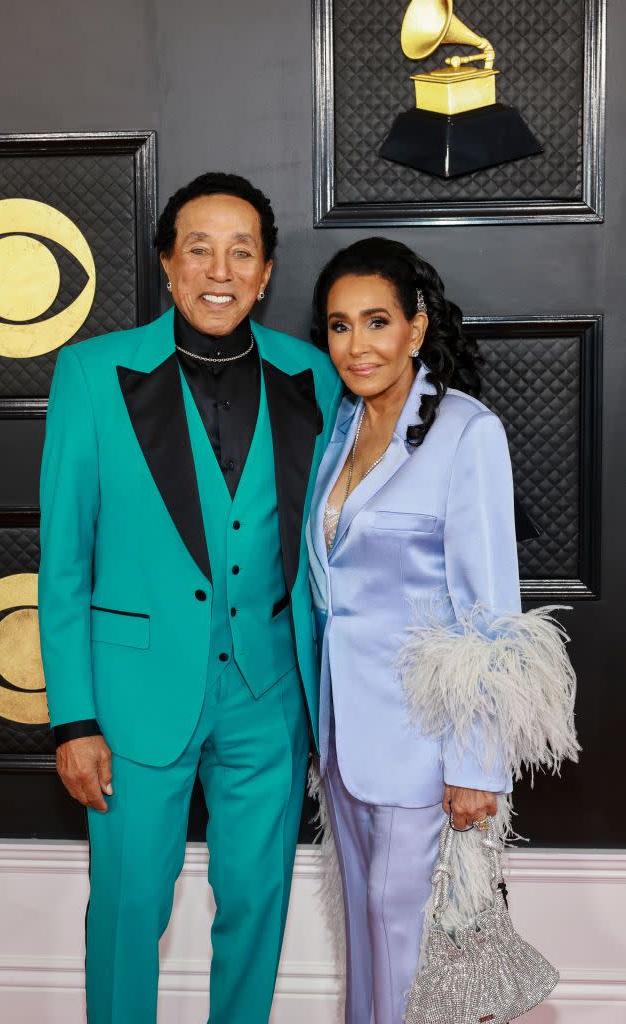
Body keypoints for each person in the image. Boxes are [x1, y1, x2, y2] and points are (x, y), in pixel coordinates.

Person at [37, 172, 342, 1024]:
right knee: (130, 911)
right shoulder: (94, 374)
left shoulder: (312, 375)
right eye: (199, 249)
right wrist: (74, 719)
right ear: (167, 266)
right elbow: (62, 561)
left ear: (267, 270)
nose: (220, 269)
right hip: (132, 703)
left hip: (269, 695)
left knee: (257, 906)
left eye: (240, 251)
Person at [306, 237, 579, 1024]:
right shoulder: (340, 428)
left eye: (376, 322)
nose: (356, 346)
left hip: (423, 751)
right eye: (338, 326)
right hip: (342, 746)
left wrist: (476, 767)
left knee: (411, 963)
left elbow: (489, 613)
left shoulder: (467, 431)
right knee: (368, 952)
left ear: (416, 328)